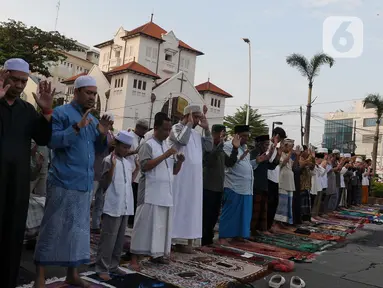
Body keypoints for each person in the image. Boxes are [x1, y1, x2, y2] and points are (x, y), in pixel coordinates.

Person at [34, 75, 113, 288]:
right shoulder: (60, 113)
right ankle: (39, 278)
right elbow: (53, 142)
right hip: (62, 180)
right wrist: (77, 127)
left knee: (77, 233)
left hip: (84, 183)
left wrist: (102, 135)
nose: (92, 97)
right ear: (76, 92)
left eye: (94, 93)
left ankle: (72, 274)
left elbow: (97, 152)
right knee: (52, 228)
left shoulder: (94, 120)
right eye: (88, 93)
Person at [0, 58, 54, 288]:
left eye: (24, 81)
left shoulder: (26, 110)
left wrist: (46, 111)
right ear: (4, 76)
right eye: (16, 79)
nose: (21, 85)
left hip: (18, 184)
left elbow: (42, 138)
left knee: (13, 238)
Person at [130, 112, 185, 270]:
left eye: (169, 130)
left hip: (165, 194)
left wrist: (179, 162)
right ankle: (135, 258)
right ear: (156, 128)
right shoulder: (148, 144)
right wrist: (165, 155)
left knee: (161, 226)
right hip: (149, 192)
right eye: (165, 129)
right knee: (143, 225)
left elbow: (173, 171)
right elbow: (145, 166)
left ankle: (158, 254)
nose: (168, 133)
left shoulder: (166, 145)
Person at [168, 104, 213, 253]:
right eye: (196, 117)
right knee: (178, 206)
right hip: (180, 176)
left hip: (194, 179)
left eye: (200, 117)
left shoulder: (196, 134)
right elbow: (182, 141)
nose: (198, 120)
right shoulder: (176, 128)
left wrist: (206, 129)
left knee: (191, 208)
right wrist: (188, 123)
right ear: (188, 115)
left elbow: (208, 147)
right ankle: (170, 240)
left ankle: (185, 242)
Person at [95, 131, 139, 280]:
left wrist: (137, 169)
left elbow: (129, 182)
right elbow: (104, 184)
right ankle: (102, 267)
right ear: (117, 145)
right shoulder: (108, 160)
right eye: (124, 147)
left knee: (119, 239)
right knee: (108, 239)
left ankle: (113, 265)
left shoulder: (127, 163)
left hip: (125, 205)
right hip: (113, 205)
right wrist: (112, 167)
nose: (126, 150)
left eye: (128, 147)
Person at [202, 124, 239, 246]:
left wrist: (234, 149)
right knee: (206, 216)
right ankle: (204, 241)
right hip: (207, 187)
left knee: (213, 216)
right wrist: (220, 145)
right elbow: (209, 161)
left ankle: (208, 239)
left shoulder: (221, 149)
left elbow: (230, 163)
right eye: (222, 133)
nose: (223, 136)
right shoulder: (208, 147)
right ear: (215, 133)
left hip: (218, 188)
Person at [218, 125, 254, 244]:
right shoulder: (228, 146)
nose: (246, 139)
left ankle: (239, 235)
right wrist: (238, 153)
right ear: (236, 135)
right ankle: (223, 236)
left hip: (246, 187)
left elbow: (247, 166)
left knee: (243, 214)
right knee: (230, 213)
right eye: (243, 136)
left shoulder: (245, 149)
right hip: (233, 185)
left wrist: (257, 161)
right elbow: (230, 164)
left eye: (247, 136)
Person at [250, 134, 279, 235]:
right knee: (254, 211)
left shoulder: (264, 154)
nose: (267, 147)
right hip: (255, 186)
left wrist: (277, 153)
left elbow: (271, 166)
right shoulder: (253, 153)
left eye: (268, 145)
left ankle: (258, 229)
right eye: (265, 145)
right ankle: (251, 230)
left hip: (263, 185)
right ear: (260, 144)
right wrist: (259, 160)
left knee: (262, 211)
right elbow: (250, 166)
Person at [91, 115, 115, 233]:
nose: (111, 124)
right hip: (95, 168)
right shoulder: (99, 130)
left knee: (100, 200)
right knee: (90, 199)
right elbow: (102, 145)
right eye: (110, 122)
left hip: (104, 170)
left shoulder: (110, 133)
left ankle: (95, 224)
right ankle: (85, 223)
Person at [127, 119, 149, 227]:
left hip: (138, 173)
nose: (145, 132)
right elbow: (122, 151)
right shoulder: (129, 136)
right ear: (138, 127)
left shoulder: (143, 140)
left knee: (135, 198)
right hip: (128, 170)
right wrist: (135, 152)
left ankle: (132, 221)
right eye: (144, 129)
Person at [267, 127, 286, 231]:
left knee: (274, 204)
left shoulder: (276, 148)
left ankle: (269, 226)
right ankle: (265, 227)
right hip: (268, 178)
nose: (280, 141)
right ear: (276, 136)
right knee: (269, 204)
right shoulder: (268, 146)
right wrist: (274, 147)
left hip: (275, 179)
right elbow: (269, 161)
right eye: (280, 138)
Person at [275, 139, 295, 225]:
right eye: (291, 146)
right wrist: (291, 153)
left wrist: (296, 156)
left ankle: (282, 222)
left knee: (287, 205)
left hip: (289, 183)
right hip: (282, 182)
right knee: (281, 204)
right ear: (285, 145)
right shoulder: (279, 154)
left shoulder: (288, 155)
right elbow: (282, 164)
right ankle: (276, 223)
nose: (291, 148)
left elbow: (292, 166)